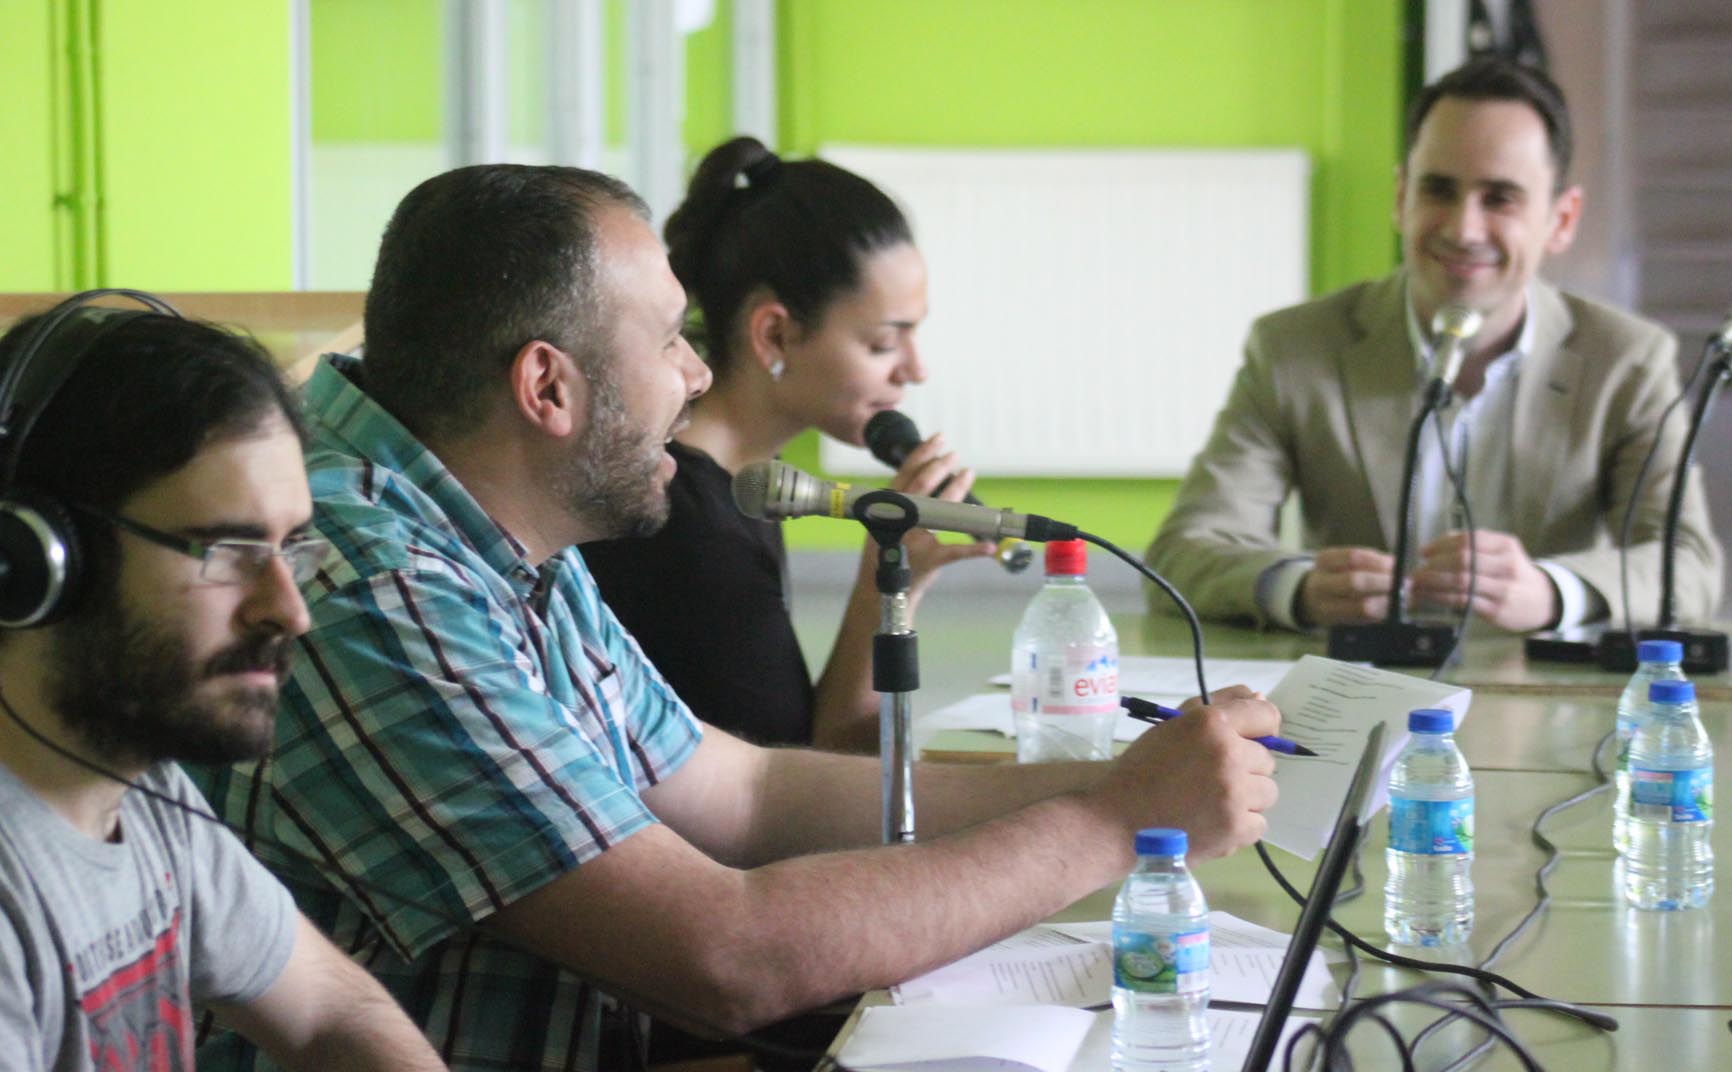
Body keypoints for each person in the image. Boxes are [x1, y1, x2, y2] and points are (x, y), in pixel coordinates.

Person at [191, 164, 1281, 1072]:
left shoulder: (499, 525)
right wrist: (1114, 825)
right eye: (671, 340)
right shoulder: (372, 584)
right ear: (547, 388)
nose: (698, 374)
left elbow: (750, 793)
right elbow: (723, 958)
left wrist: (1128, 778)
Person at [0, 301, 445, 1071]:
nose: (291, 611)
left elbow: (332, 1013)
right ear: (33, 561)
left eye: (292, 549)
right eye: (229, 552)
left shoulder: (137, 785)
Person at [1147, 57, 1723, 632]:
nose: (1463, 229)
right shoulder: (1294, 349)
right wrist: (1296, 588)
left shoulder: (1625, 359)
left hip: (1541, 679)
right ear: (1401, 197)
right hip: (1354, 683)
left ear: (1562, 219)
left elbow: (1691, 566)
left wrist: (1553, 591)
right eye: (1439, 190)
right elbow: (1183, 551)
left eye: (1500, 198)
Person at [580, 136, 992, 751]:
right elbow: (812, 774)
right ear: (774, 334)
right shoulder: (693, 534)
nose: (915, 369)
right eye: (883, 343)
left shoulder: (742, 481)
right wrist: (888, 584)